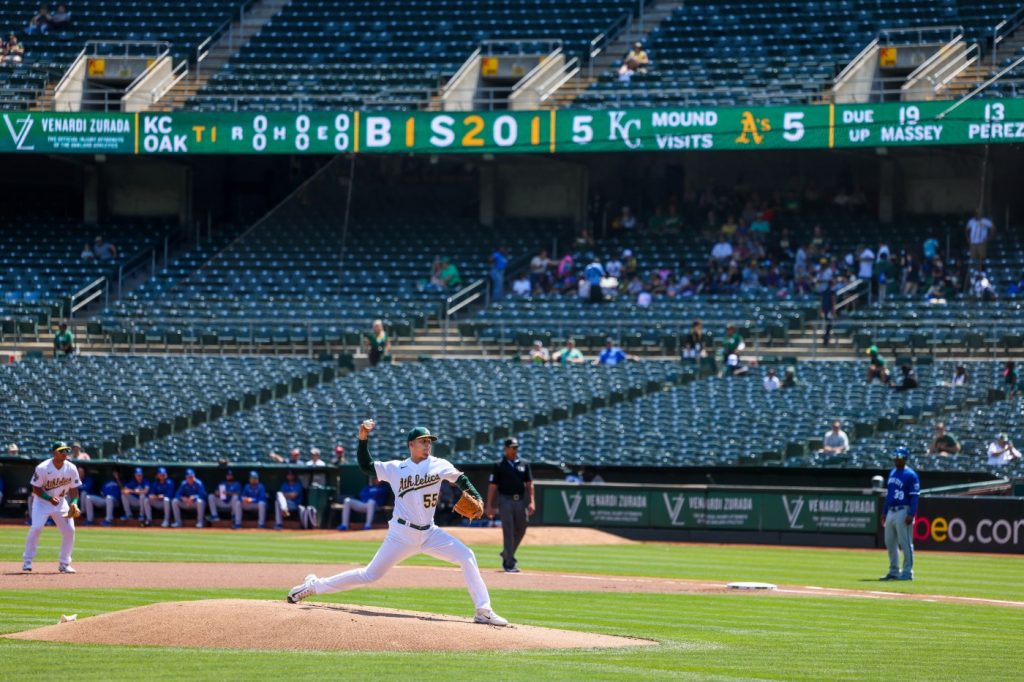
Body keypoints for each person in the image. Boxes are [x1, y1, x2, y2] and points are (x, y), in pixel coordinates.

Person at [286, 421, 508, 627]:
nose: (427, 445)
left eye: (429, 441)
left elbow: (462, 480)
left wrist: (476, 496)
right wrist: (363, 438)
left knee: (467, 556)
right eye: (423, 441)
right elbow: (366, 466)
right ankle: (313, 585)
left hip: (430, 533)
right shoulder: (395, 468)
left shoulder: (439, 464)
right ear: (411, 444)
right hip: (401, 534)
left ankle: (483, 610)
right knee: (370, 575)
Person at [22, 442, 80, 573]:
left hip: (61, 502)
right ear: (54, 453)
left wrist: (74, 502)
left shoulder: (71, 468)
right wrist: (48, 498)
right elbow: (35, 488)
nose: (65, 453)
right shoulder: (42, 467)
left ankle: (64, 564)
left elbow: (74, 489)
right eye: (61, 451)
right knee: (36, 528)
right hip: (42, 502)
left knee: (70, 530)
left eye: (66, 451)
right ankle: (27, 561)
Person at [485, 437, 535, 573]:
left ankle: (507, 553)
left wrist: (532, 501)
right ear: (506, 449)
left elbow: (529, 483)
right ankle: (509, 563)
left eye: (516, 447)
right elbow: (492, 486)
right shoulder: (499, 464)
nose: (515, 450)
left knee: (522, 528)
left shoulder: (524, 464)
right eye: (512, 447)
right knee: (508, 530)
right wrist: (489, 505)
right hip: (505, 500)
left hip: (520, 501)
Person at [880, 447, 919, 581]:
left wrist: (912, 513)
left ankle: (907, 572)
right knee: (890, 542)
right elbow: (889, 495)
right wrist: (884, 512)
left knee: (905, 543)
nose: (897, 459)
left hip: (903, 510)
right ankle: (894, 571)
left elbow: (914, 496)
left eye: (900, 457)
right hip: (891, 510)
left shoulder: (911, 475)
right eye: (896, 456)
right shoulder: (892, 473)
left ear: (905, 458)